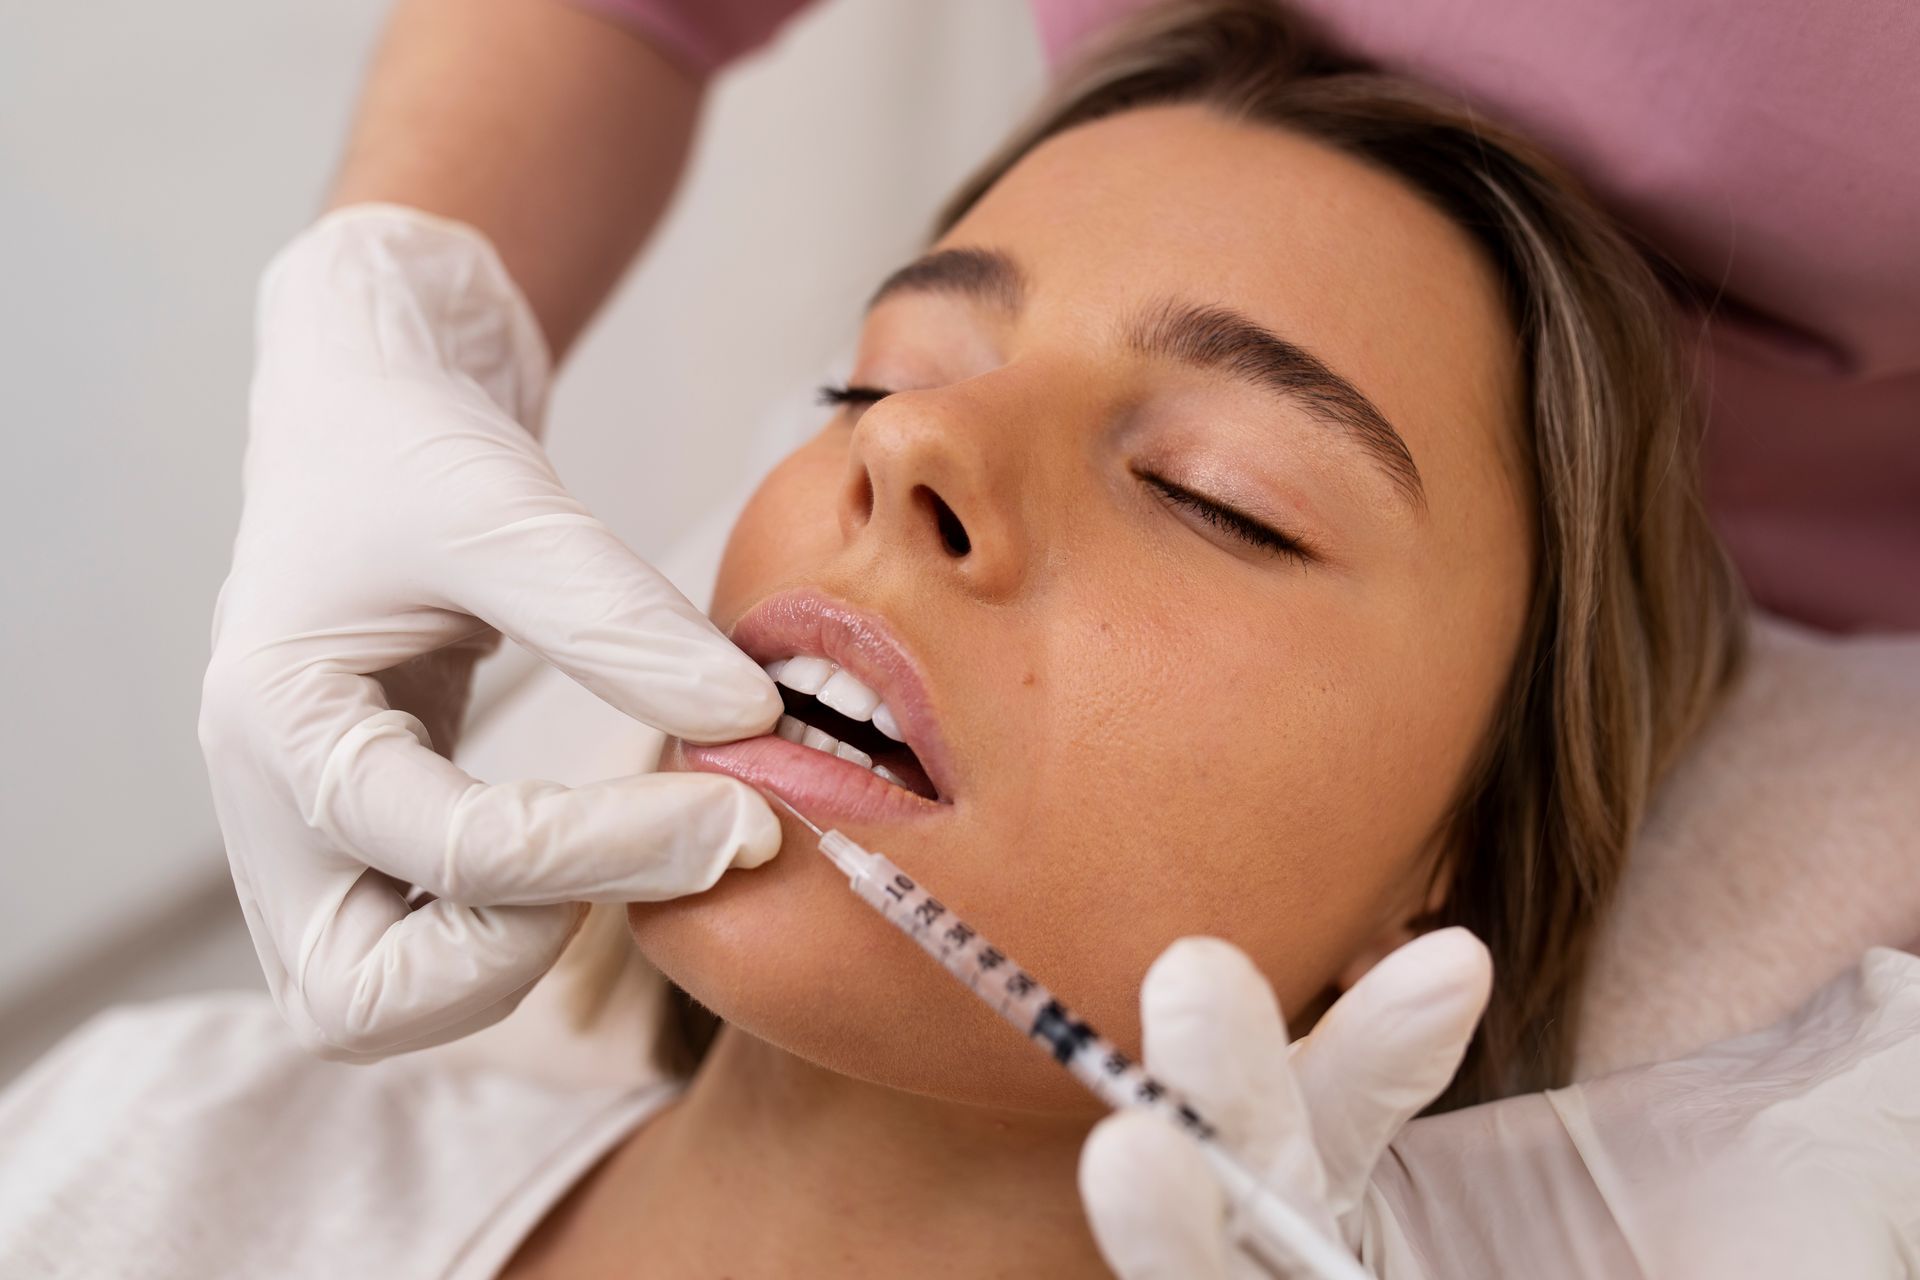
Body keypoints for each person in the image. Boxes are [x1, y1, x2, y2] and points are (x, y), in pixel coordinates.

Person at [26, 4, 1898, 1275]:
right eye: (878, 372)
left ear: (1450, 881)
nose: (911, 443)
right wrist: (389, 297)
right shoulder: (146, 1154)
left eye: (1222, 496)